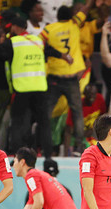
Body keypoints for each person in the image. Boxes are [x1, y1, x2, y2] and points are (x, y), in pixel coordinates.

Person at [0, 16, 65, 158]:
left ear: (15, 27)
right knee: (44, 123)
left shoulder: (13, 43)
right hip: (40, 89)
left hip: (22, 90)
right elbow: (52, 51)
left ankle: (19, 155)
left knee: (18, 123)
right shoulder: (38, 41)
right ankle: (48, 155)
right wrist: (65, 56)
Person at [40, 0, 95, 155]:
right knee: (77, 113)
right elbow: (85, 10)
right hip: (71, 79)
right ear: (71, 16)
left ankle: (43, 146)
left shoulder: (49, 29)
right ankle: (79, 147)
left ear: (57, 16)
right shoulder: (74, 24)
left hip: (54, 77)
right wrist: (91, 2)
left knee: (46, 113)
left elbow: (38, 44)